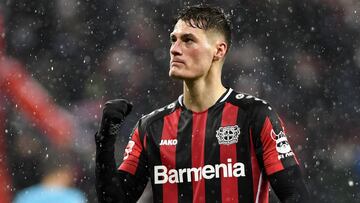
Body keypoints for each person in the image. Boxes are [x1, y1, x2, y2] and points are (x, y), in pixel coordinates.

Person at [95, 5, 309, 203]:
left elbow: (295, 196)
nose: (175, 49)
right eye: (173, 39)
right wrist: (105, 141)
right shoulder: (151, 127)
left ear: (219, 50)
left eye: (188, 40)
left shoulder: (254, 116)